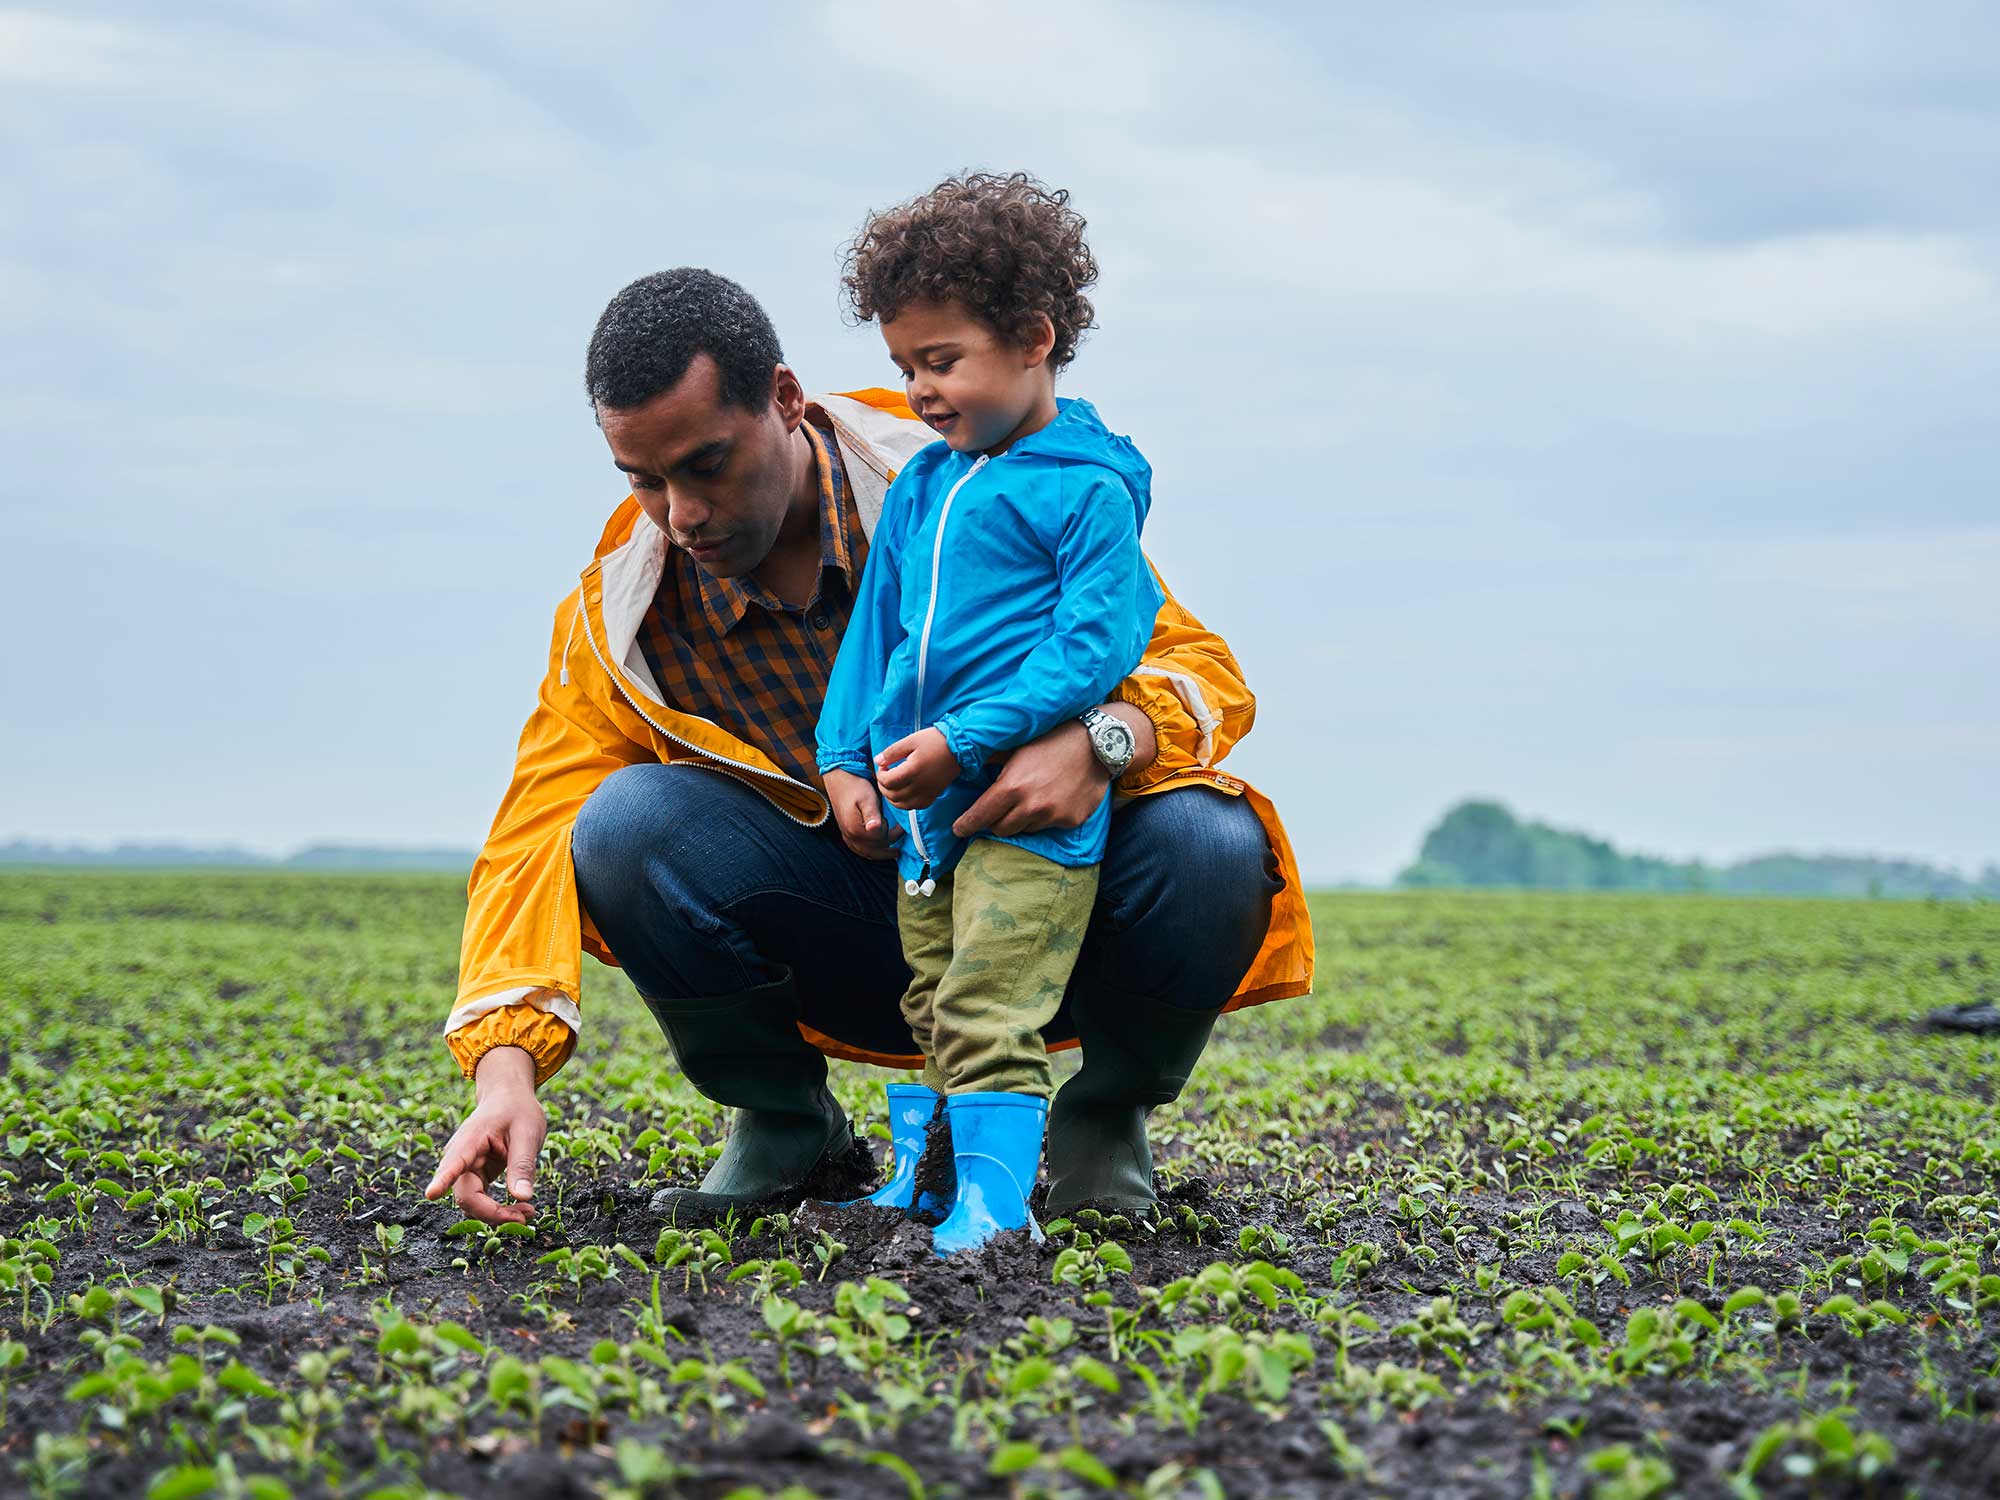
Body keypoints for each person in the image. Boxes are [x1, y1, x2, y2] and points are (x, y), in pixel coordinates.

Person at [422, 263, 1315, 1231]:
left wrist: (1103, 738)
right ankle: (786, 1127)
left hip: (1042, 900)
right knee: (624, 822)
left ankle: (1101, 1127)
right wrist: (504, 1073)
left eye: (707, 464)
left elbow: (1191, 663)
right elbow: (534, 828)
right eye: (645, 480)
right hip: (863, 918)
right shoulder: (624, 614)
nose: (681, 515)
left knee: (1210, 840)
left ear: (784, 399)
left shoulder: (968, 475)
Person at [815, 173, 1167, 1254]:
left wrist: (965, 737)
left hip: (1026, 815)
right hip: (923, 816)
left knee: (987, 1002)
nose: (920, 391)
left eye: (941, 360)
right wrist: (842, 759)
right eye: (904, 368)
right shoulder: (923, 486)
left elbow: (1093, 648)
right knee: (931, 999)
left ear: (1033, 340)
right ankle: (927, 1187)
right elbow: (873, 633)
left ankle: (997, 1211)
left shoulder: (1087, 491)